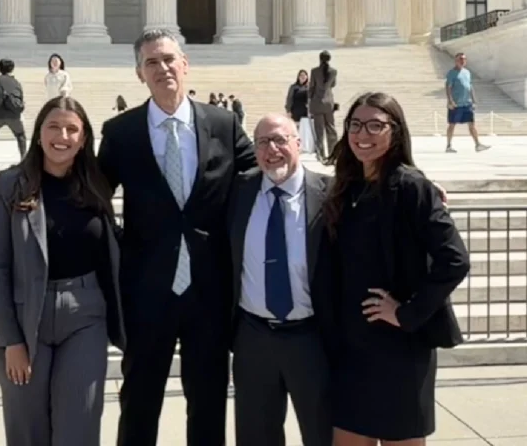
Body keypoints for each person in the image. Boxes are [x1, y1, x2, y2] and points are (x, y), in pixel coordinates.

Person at [97, 29, 257, 446]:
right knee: (140, 400)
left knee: (207, 400)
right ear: (139, 74)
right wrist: (125, 243)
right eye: (152, 62)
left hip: (209, 289)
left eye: (169, 59)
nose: (162, 68)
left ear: (185, 64)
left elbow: (267, 175)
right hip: (147, 290)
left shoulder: (223, 123)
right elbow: (92, 196)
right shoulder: (121, 132)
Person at [313, 92, 470, 446]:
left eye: (375, 125)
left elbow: (455, 260)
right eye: (355, 124)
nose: (362, 133)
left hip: (400, 349)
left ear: (395, 132)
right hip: (351, 348)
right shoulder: (345, 187)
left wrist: (406, 312)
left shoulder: (412, 187)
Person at [0, 96, 126, 446]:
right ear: (38, 132)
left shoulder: (95, 186)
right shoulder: (8, 186)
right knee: (28, 430)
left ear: (84, 138)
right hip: (25, 317)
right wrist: (11, 340)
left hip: (86, 315)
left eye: (72, 129)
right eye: (54, 126)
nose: (62, 136)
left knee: (80, 426)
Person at [227, 113, 332, 446]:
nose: (271, 149)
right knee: (256, 436)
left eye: (280, 140)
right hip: (254, 338)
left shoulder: (331, 195)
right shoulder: (238, 191)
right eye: (262, 142)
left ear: (298, 143)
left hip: (312, 339)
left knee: (322, 434)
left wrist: (424, 185)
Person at [0, 58, 27, 171]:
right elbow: (20, 100)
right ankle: (23, 160)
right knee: (20, 136)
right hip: (14, 115)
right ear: (12, 69)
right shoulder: (16, 82)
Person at [445, 53, 490, 153]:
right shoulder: (451, 73)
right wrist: (450, 101)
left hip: (467, 103)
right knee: (452, 124)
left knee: (472, 124)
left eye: (464, 59)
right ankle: (448, 145)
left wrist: (474, 100)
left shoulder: (467, 72)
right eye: (460, 59)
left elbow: (470, 87)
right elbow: (448, 87)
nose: (463, 61)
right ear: (456, 61)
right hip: (456, 104)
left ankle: (477, 144)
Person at [309, 51, 338, 159]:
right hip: (328, 103)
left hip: (317, 103)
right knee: (331, 129)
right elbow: (333, 84)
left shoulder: (314, 71)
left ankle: (321, 154)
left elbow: (311, 87)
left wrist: (309, 100)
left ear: (320, 59)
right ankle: (333, 153)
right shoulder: (334, 71)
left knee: (319, 131)